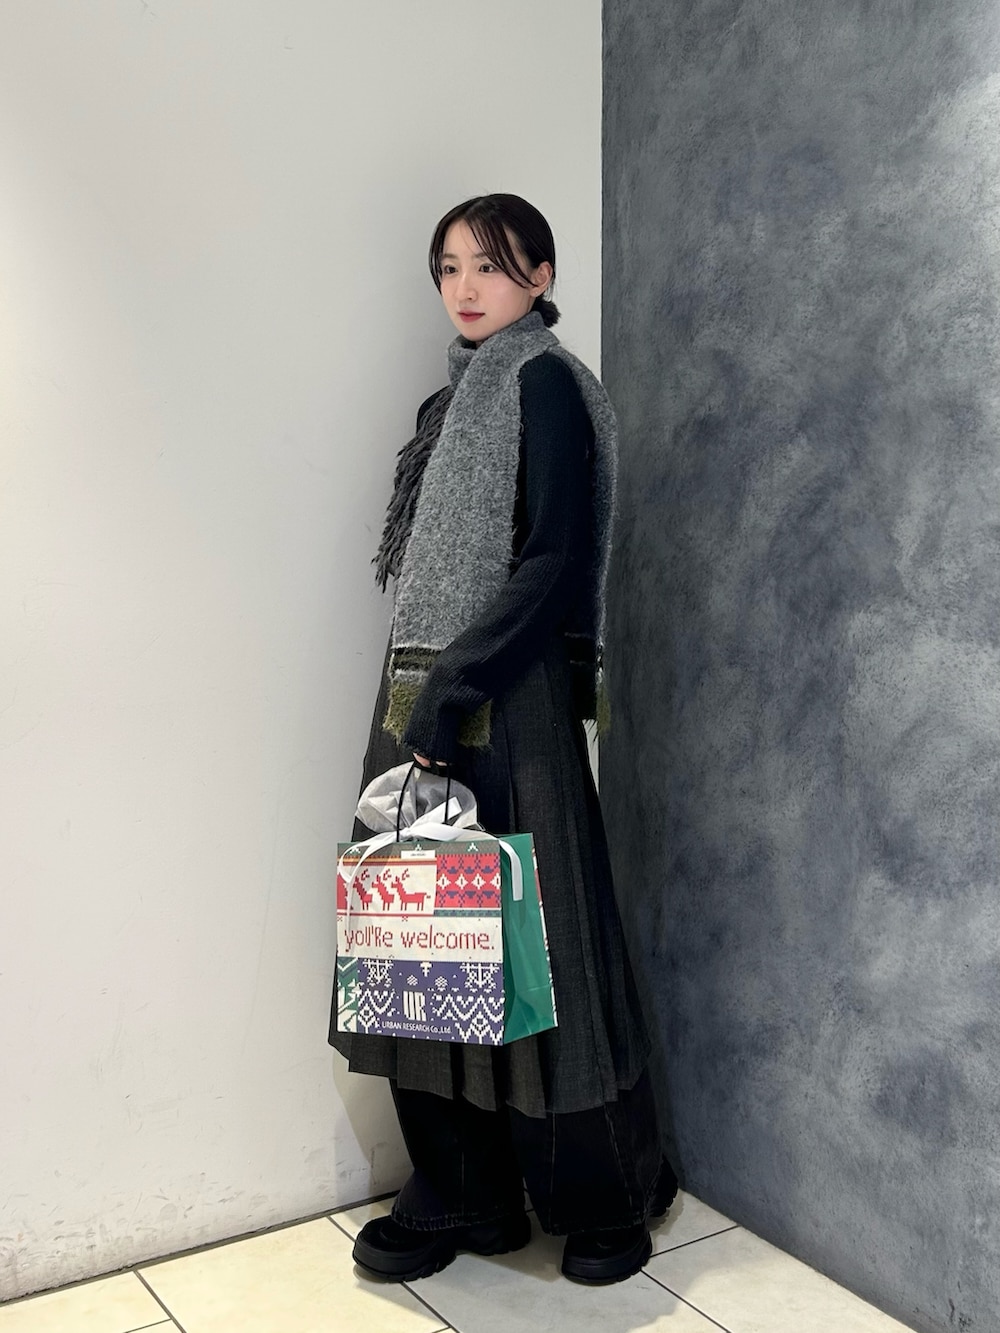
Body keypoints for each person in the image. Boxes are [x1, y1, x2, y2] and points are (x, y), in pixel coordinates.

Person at [329, 193, 675, 1285]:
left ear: (541, 273)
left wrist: (456, 685)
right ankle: (461, 1190)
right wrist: (428, 695)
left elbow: (554, 559)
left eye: (489, 264)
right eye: (449, 267)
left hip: (501, 699)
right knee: (418, 942)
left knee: (546, 948)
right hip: (422, 695)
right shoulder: (451, 402)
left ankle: (605, 1195)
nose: (466, 287)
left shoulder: (545, 384)